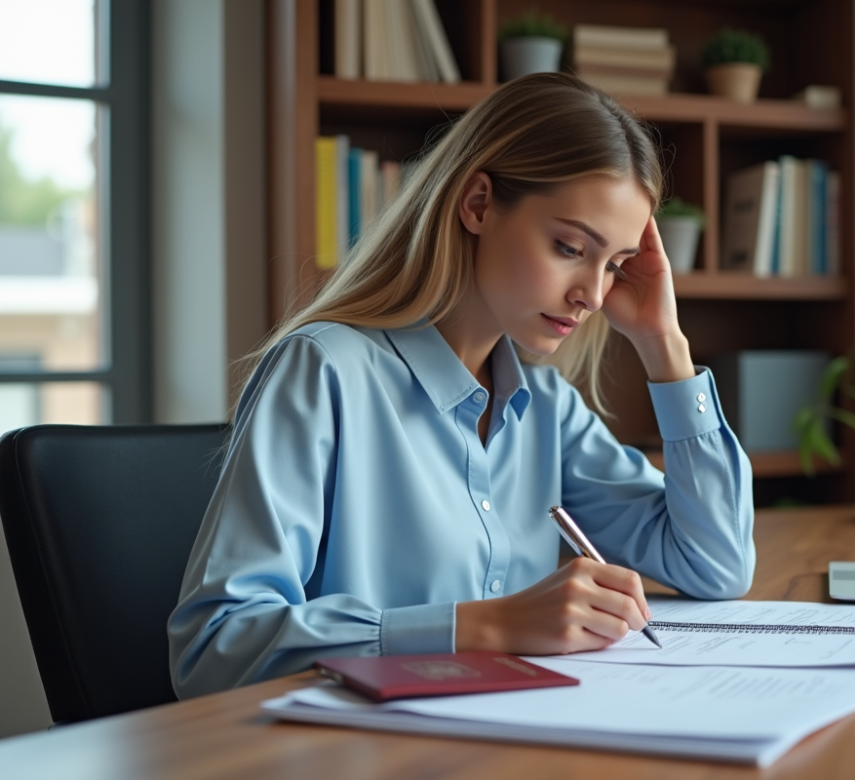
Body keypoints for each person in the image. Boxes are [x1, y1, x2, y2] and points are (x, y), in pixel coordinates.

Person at [168, 73, 755, 699]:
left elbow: (716, 564)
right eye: (569, 247)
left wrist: (665, 344)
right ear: (477, 204)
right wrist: (485, 627)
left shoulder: (548, 409)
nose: (592, 294)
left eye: (614, 265)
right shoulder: (324, 372)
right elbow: (214, 648)